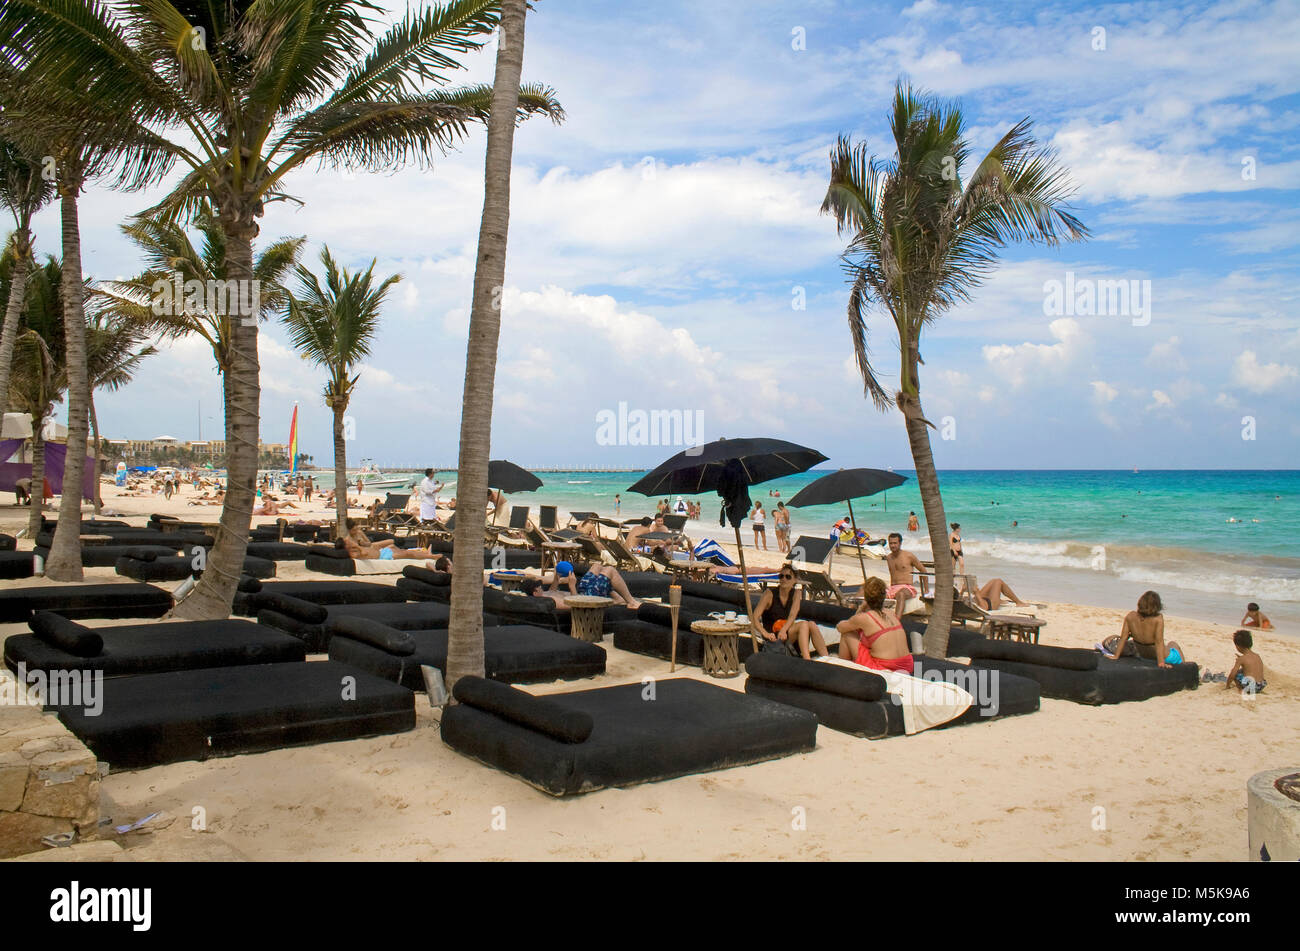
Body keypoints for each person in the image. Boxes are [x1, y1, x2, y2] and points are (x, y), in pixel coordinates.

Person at [837, 577, 913, 673]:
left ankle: (842, 670)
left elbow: (840, 628)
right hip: (907, 665)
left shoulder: (865, 618)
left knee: (847, 634)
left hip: (884, 666)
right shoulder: (890, 613)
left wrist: (860, 608)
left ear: (866, 597)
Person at [754, 565, 828, 659]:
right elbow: (755, 617)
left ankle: (827, 658)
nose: (784, 579)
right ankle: (807, 659)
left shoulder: (796, 594)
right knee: (803, 624)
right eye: (781, 576)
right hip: (773, 636)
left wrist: (784, 630)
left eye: (788, 577)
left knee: (812, 624)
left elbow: (793, 614)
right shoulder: (769, 594)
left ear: (795, 580)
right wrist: (765, 633)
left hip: (785, 632)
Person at [1106, 591, 1184, 668]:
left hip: (1144, 657)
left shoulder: (1130, 616)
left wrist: (1116, 656)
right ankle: (1185, 666)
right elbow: (1159, 642)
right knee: (1173, 644)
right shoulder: (1158, 619)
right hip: (1164, 658)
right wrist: (1161, 663)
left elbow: (1123, 638)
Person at [341, 518, 433, 560]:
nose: (356, 531)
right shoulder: (349, 540)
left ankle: (420, 550)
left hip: (371, 546)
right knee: (398, 550)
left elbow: (368, 543)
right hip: (372, 551)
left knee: (392, 543)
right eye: (354, 530)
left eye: (356, 528)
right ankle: (421, 551)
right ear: (349, 530)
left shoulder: (359, 532)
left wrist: (364, 543)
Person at [885, 533, 926, 602]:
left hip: (906, 587)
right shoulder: (889, 557)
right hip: (892, 588)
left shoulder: (908, 556)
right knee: (875, 594)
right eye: (890, 543)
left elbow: (923, 571)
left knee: (900, 594)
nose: (892, 545)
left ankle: (898, 613)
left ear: (900, 543)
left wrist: (926, 590)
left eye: (895, 543)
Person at [1226, 629, 1267, 694]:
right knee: (1244, 670)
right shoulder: (1257, 656)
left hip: (1250, 687)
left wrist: (1227, 685)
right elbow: (1252, 667)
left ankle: (1240, 689)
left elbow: (1232, 674)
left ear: (1237, 646)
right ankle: (1258, 690)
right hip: (1261, 685)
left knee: (1236, 673)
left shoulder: (1241, 659)